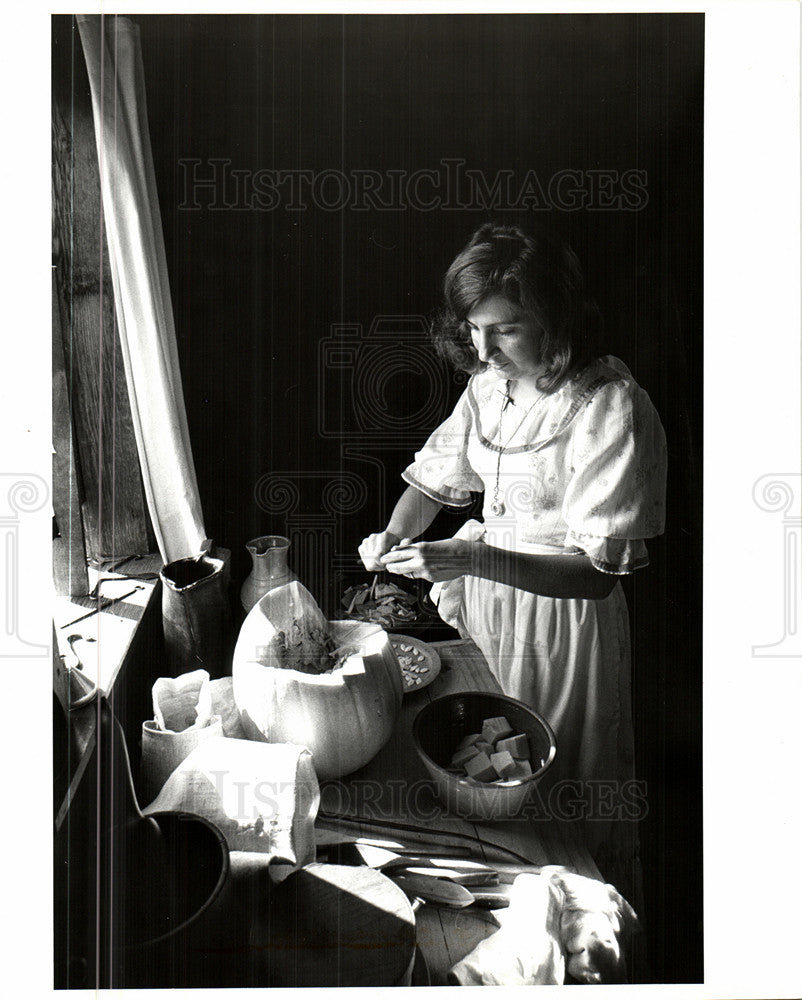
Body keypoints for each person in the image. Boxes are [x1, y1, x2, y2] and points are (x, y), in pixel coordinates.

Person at [359, 222, 667, 872]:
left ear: (556, 318)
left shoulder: (609, 408)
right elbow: (436, 483)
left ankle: (582, 922)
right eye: (474, 328)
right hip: (493, 607)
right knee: (490, 762)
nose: (484, 347)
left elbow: (596, 575)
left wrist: (474, 558)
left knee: (560, 781)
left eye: (506, 329)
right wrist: (395, 530)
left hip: (564, 624)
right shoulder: (488, 389)